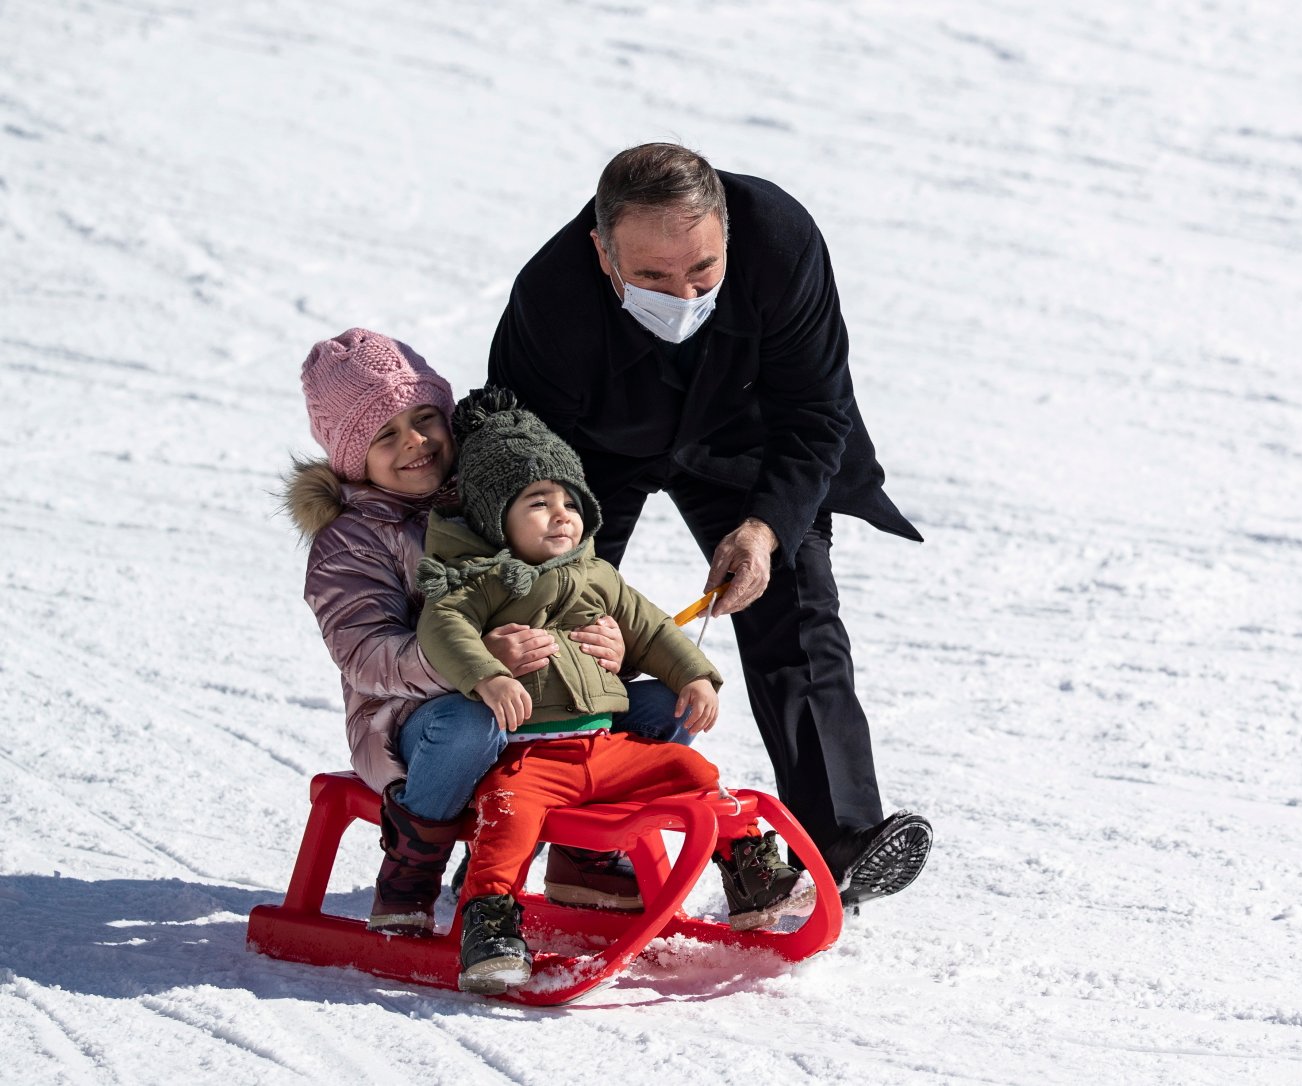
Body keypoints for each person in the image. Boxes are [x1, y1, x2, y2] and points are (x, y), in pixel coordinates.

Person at [486, 143, 932, 907]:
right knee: (559, 620)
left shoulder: (781, 241)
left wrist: (763, 529)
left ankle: (839, 840)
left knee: (792, 600)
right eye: (652, 278)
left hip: (744, 433)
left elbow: (818, 411)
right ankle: (520, 839)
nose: (681, 293)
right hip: (592, 452)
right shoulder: (550, 299)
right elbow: (518, 455)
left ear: (728, 234)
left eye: (702, 271)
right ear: (602, 249)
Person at [413, 389, 814, 994]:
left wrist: (695, 676)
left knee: (692, 768)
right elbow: (441, 626)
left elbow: (651, 628)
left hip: (604, 751)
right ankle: (491, 925)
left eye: (569, 501)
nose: (561, 515)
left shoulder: (597, 575)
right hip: (530, 758)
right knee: (506, 817)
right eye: (537, 502)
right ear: (496, 515)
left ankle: (752, 876)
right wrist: (488, 673)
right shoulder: (480, 580)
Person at [284, 328, 678, 934]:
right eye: (384, 435)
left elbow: (571, 589)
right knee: (473, 722)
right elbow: (364, 653)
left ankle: (583, 852)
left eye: (424, 418)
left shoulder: (490, 500)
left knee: (661, 706)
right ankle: (413, 866)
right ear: (350, 454)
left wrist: (608, 649)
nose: (414, 442)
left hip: (538, 707)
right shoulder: (350, 540)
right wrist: (471, 665)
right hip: (417, 725)